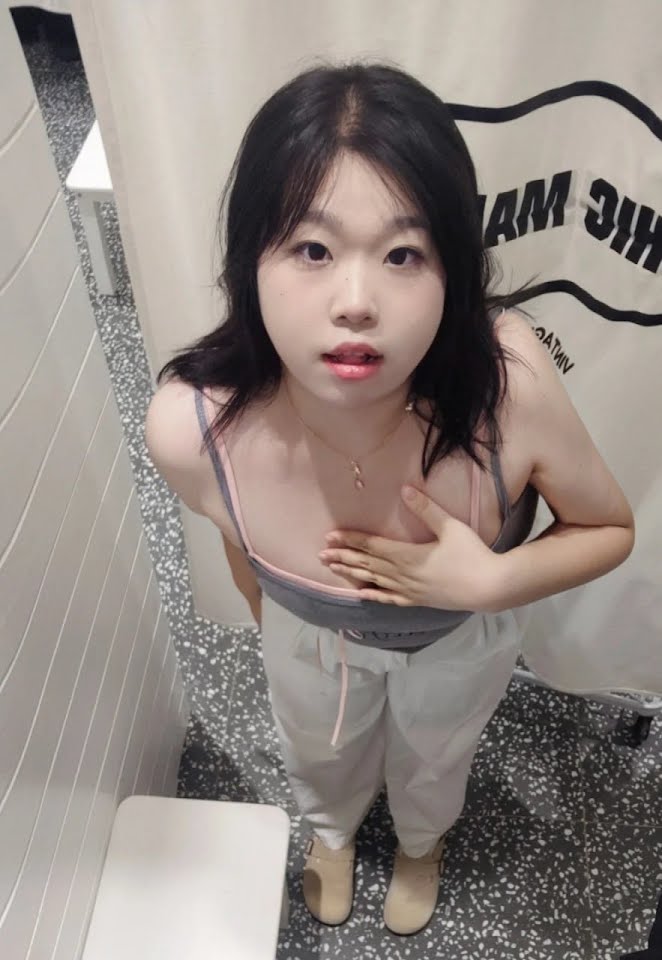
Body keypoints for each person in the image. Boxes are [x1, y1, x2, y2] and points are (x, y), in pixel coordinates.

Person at [145, 61, 635, 935]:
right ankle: (331, 833)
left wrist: (490, 583)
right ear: (249, 259)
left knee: (438, 755)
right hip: (309, 640)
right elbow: (237, 537)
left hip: (460, 637)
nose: (357, 303)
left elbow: (609, 526)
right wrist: (288, 625)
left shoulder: (508, 385)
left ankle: (421, 842)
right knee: (316, 747)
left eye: (404, 254)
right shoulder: (195, 426)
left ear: (453, 270)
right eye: (313, 250)